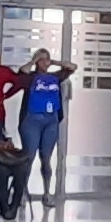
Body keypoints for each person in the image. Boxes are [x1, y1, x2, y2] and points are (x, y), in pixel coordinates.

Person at [17, 49, 77, 196]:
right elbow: (22, 72)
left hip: (51, 120)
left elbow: (72, 67)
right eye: (42, 59)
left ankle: (47, 192)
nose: (45, 62)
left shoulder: (55, 77)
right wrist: (33, 61)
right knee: (29, 156)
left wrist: (54, 62)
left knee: (46, 158)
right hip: (32, 120)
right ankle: (22, 193)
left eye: (47, 59)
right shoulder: (31, 77)